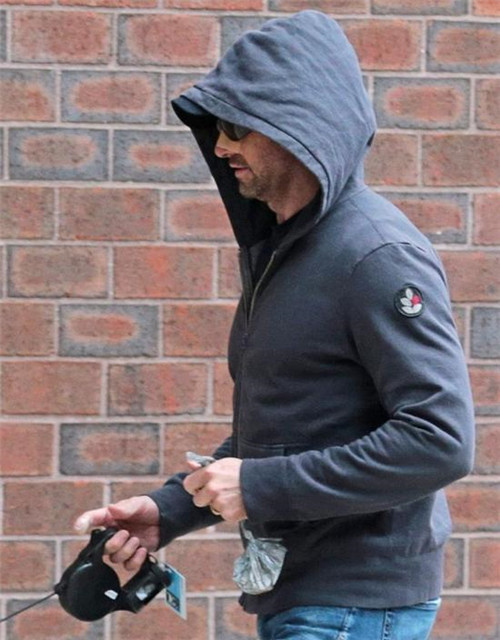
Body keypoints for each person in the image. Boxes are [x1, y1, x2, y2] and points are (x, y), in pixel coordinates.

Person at [76, 10, 475, 640]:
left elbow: (440, 440)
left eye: (236, 127)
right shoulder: (286, 254)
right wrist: (168, 509)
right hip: (309, 601)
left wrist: (263, 487)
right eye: (216, 127)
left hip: (353, 608)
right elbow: (290, 430)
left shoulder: (375, 257)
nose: (220, 146)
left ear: (297, 127)